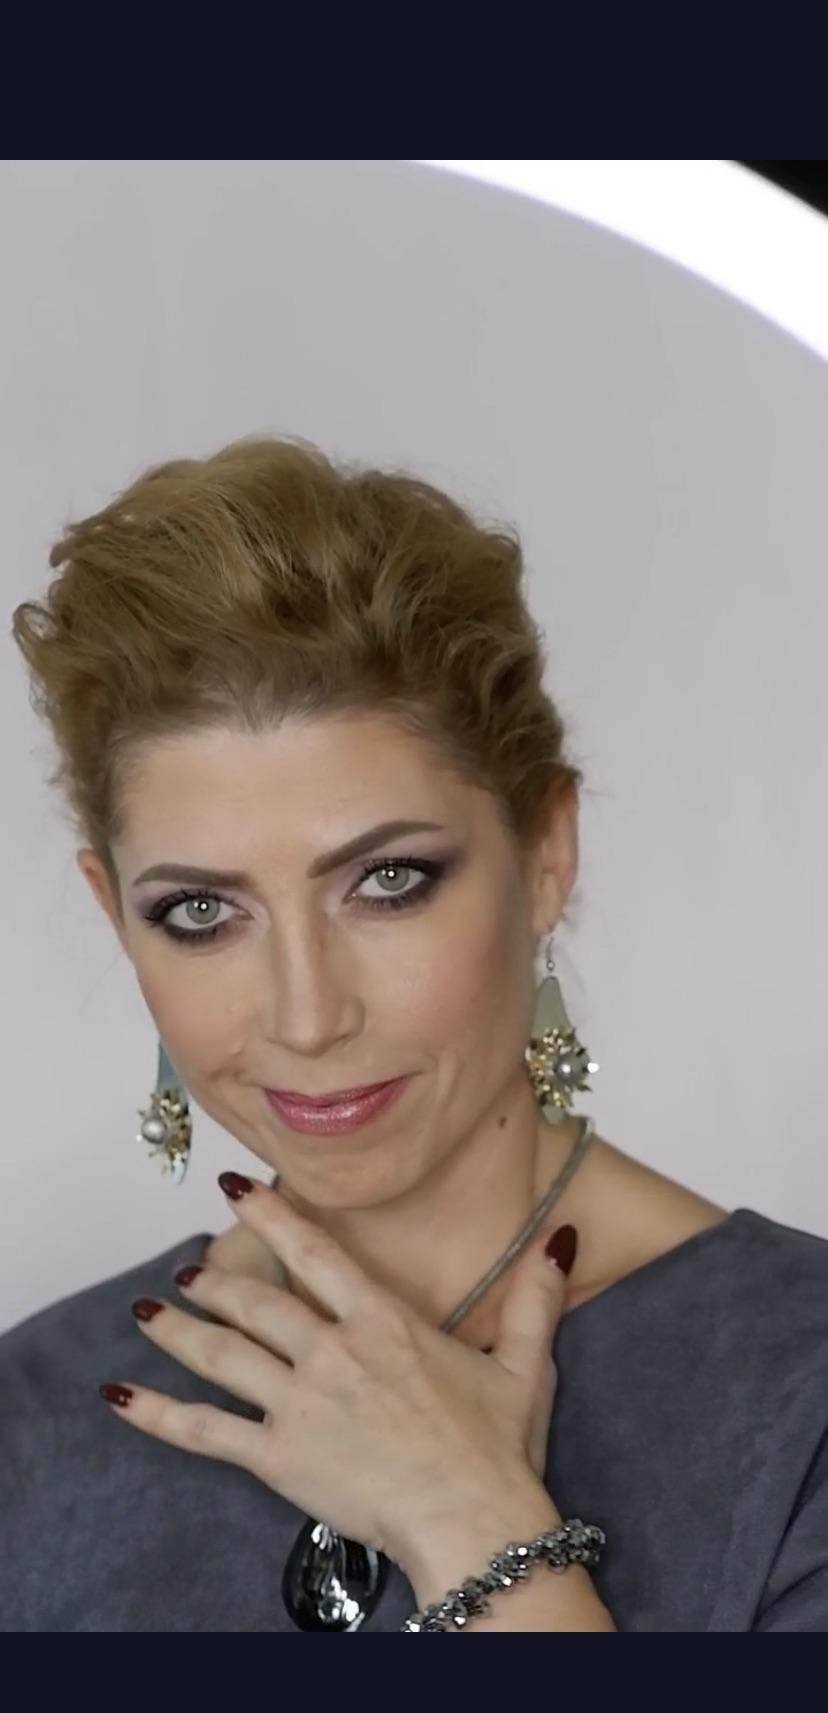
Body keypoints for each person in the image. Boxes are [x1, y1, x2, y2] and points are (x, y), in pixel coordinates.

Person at [4, 433, 827, 1633]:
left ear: (546, 855)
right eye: (201, 914)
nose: (307, 1015)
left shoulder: (799, 1396)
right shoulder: (32, 1418)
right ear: (113, 912)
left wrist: (476, 1530)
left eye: (387, 882)